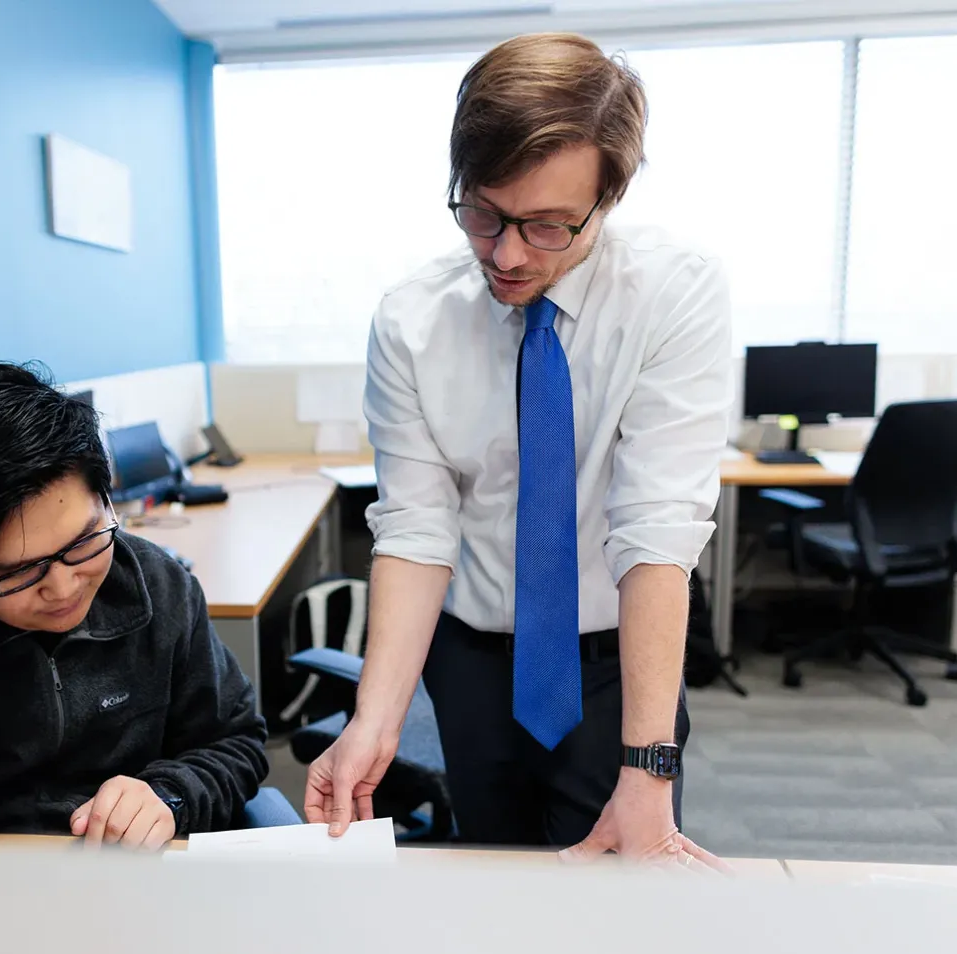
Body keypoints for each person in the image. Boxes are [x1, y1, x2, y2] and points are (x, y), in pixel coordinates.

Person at [305, 33, 732, 868]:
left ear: (609, 199)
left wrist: (648, 770)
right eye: (482, 214)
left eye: (546, 227)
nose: (505, 255)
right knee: (490, 876)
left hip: (614, 663)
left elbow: (655, 532)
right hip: (470, 659)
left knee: (616, 887)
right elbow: (417, 531)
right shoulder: (411, 321)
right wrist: (374, 722)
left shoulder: (674, 294)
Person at [0, 361, 268, 847]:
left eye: (84, 541)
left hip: (140, 875)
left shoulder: (160, 586)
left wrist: (168, 797)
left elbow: (235, 741)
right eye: (16, 572)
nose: (63, 587)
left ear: (107, 500)